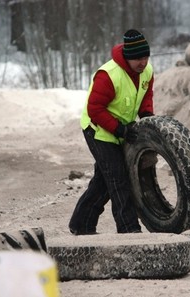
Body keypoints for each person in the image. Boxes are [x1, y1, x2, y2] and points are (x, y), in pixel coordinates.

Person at [68, 29, 154, 235]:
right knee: (117, 177)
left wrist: (147, 118)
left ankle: (81, 224)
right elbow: (94, 109)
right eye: (138, 59)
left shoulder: (147, 71)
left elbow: (145, 95)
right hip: (98, 129)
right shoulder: (108, 75)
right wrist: (120, 129)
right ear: (127, 57)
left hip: (120, 129)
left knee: (104, 180)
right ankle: (129, 230)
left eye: (145, 57)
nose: (143, 63)